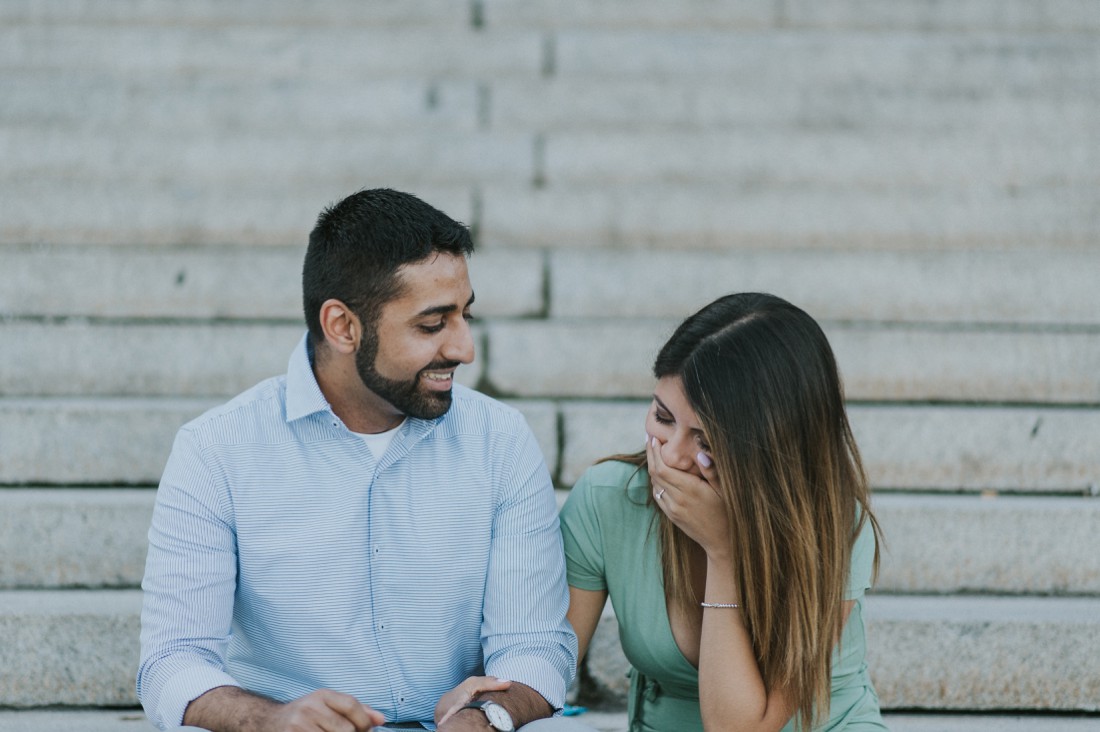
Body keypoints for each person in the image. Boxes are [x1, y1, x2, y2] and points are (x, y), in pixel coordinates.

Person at [138, 188, 594, 732]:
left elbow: (535, 647)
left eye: (464, 315)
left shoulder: (500, 439)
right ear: (342, 326)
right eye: (432, 325)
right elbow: (171, 662)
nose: (464, 348)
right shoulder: (216, 449)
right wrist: (272, 719)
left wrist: (487, 715)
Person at [561, 292, 887, 732]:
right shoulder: (607, 500)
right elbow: (542, 667)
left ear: (775, 448)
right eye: (663, 417)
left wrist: (724, 551)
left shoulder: (829, 524)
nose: (671, 456)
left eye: (707, 442)